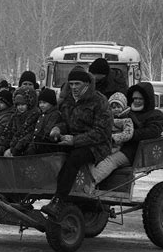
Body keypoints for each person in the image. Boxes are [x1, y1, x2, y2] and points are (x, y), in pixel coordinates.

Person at [41, 67, 112, 217]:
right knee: (45, 147)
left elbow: (101, 132)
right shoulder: (68, 101)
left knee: (75, 158)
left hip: (96, 146)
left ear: (86, 84)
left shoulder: (99, 101)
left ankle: (59, 200)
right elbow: (65, 122)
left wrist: (74, 140)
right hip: (71, 140)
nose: (73, 87)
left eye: (77, 84)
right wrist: (57, 129)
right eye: (71, 84)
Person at [90, 82, 163, 185]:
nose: (137, 101)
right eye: (134, 99)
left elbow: (153, 131)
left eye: (140, 99)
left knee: (110, 161)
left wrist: (127, 134)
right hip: (114, 144)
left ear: (147, 99)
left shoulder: (155, 115)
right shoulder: (126, 112)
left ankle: (90, 183)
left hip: (134, 150)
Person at [89, 92, 134, 184]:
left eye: (118, 106)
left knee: (105, 163)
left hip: (114, 146)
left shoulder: (126, 120)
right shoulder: (106, 118)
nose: (116, 109)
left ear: (124, 107)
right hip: (102, 144)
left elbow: (128, 133)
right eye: (113, 107)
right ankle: (86, 177)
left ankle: (92, 181)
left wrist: (114, 137)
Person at [0, 86, 40, 157]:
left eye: (23, 104)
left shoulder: (35, 116)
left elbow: (28, 135)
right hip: (12, 146)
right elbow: (8, 130)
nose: (20, 107)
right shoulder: (15, 116)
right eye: (18, 105)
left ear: (29, 103)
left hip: (23, 149)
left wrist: (14, 149)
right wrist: (2, 144)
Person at [26, 88, 62, 155]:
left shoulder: (55, 114)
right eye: (40, 103)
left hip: (45, 148)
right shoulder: (42, 114)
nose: (41, 105)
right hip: (36, 145)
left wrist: (38, 140)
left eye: (44, 103)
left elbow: (47, 132)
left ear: (51, 103)